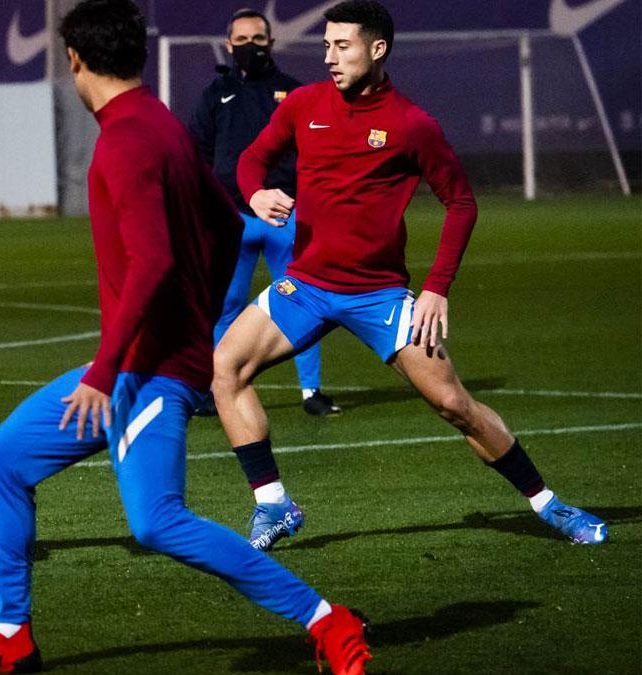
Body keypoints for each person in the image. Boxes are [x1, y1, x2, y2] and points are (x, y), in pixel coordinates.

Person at [0, 2, 370, 674]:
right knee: (2, 461)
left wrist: (108, 370)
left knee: (157, 520)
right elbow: (226, 224)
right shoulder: (156, 122)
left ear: (74, 59)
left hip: (151, 369)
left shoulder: (127, 142)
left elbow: (155, 261)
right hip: (141, 361)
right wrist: (189, 320)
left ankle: (329, 621)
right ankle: (10, 635)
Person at [215, 0, 607, 551]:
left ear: (377, 50)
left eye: (342, 45)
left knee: (455, 406)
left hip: (378, 296)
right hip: (304, 286)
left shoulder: (411, 124)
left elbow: (461, 203)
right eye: (326, 45)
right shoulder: (303, 105)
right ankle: (273, 504)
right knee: (225, 368)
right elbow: (252, 158)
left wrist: (436, 289)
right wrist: (255, 191)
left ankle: (550, 505)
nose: (329, 56)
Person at [188, 7, 340, 418]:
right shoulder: (215, 94)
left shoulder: (295, 94)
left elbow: (316, 153)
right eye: (242, 41)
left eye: (258, 39)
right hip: (230, 220)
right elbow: (197, 153)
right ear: (228, 45)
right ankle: (219, 389)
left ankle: (312, 392)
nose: (250, 47)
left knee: (302, 302)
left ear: (271, 43)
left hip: (284, 216)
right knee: (225, 307)